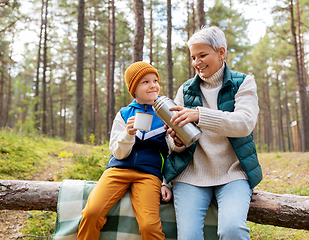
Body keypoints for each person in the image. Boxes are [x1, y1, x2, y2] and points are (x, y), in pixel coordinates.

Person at [164, 26, 263, 240]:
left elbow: (244, 123)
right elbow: (173, 144)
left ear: (221, 53)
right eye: (193, 57)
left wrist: (200, 115)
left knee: (232, 230)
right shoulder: (185, 89)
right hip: (190, 175)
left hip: (233, 173)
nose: (197, 62)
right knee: (188, 237)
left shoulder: (243, 83)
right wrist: (177, 140)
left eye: (202, 55)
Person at [77, 61, 180, 240]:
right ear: (134, 88)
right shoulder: (124, 114)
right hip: (118, 170)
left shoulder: (167, 113)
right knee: (91, 213)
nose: (153, 85)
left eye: (155, 80)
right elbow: (118, 153)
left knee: (149, 226)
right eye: (145, 82)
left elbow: (172, 154)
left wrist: (166, 182)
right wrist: (128, 134)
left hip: (149, 174)